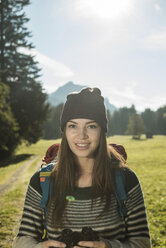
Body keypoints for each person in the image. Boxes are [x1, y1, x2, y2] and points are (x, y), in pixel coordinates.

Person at [12, 87, 151, 248]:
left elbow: (142, 243)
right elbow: (23, 240)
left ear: (102, 131)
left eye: (91, 126)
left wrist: (109, 246)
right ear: (64, 130)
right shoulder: (42, 181)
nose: (82, 135)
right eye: (73, 126)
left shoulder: (125, 180)